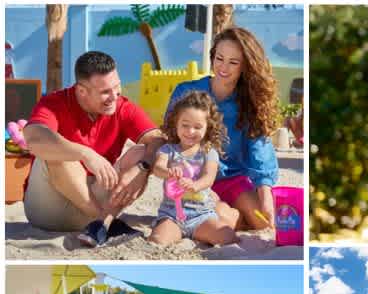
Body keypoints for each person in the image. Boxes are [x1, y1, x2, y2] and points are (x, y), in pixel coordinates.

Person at [22, 51, 164, 246]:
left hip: (98, 198)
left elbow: (158, 140)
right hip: (50, 210)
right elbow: (33, 138)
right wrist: (84, 153)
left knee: (142, 153)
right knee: (57, 151)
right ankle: (105, 223)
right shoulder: (54, 103)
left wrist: (143, 167)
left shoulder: (123, 107)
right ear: (82, 91)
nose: (114, 97)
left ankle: (101, 224)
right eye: (105, 92)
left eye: (117, 86)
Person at [166, 27, 280, 231]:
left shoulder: (250, 102)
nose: (223, 67)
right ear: (213, 56)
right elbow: (171, 138)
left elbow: (260, 149)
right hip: (195, 178)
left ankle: (233, 214)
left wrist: (266, 196)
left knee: (264, 222)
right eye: (219, 58)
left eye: (233, 62)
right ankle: (229, 214)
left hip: (233, 178)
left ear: (246, 66)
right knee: (218, 219)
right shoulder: (186, 92)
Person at [149, 91, 238, 247]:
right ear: (176, 123)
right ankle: (176, 232)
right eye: (185, 125)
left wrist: (195, 185)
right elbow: (158, 168)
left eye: (197, 127)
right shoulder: (168, 150)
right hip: (172, 215)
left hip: (201, 216)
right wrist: (169, 172)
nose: (190, 131)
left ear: (207, 128)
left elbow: (209, 177)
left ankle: (228, 217)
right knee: (157, 240)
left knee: (228, 236)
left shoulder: (208, 152)